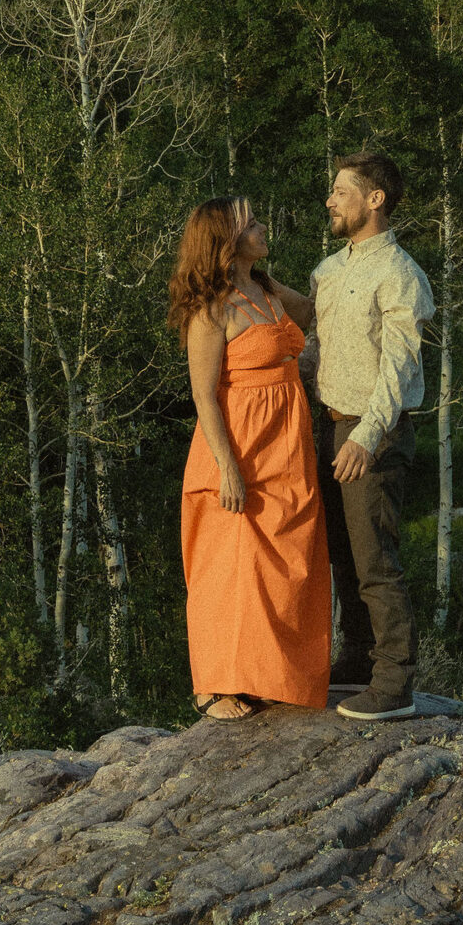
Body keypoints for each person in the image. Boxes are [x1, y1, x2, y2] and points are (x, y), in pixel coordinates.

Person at [170, 196, 330, 722]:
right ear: (225, 241)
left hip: (286, 441)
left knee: (285, 563)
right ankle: (214, 687)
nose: (263, 228)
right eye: (252, 224)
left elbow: (311, 313)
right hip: (239, 444)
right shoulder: (209, 310)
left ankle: (271, 674)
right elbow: (203, 395)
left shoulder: (263, 291)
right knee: (231, 564)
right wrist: (227, 468)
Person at [309, 152, 435, 721]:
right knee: (341, 556)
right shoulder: (328, 271)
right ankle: (357, 659)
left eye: (340, 191)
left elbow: (401, 365)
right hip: (329, 428)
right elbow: (316, 352)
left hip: (375, 434)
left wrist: (366, 435)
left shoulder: (401, 273)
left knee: (376, 559)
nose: (330, 200)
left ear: (375, 199)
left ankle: (395, 681)